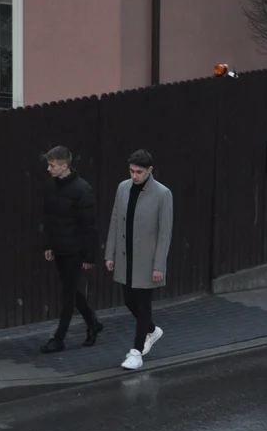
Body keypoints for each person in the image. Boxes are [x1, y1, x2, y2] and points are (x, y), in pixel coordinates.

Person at [104, 149, 174, 370]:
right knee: (128, 300)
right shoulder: (123, 188)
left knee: (143, 305)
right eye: (132, 171)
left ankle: (136, 352)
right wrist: (110, 253)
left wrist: (159, 265)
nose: (134, 176)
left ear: (149, 170)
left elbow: (165, 232)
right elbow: (115, 221)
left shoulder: (163, 194)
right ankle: (152, 330)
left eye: (139, 172)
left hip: (147, 259)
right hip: (126, 256)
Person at [40, 146, 102, 354]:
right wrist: (48, 244)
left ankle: (59, 339)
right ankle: (93, 324)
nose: (49, 169)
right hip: (59, 248)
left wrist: (89, 256)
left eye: (52, 165)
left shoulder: (82, 189)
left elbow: (89, 226)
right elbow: (49, 218)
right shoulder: (53, 187)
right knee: (72, 291)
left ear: (64, 166)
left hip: (74, 250)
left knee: (68, 295)